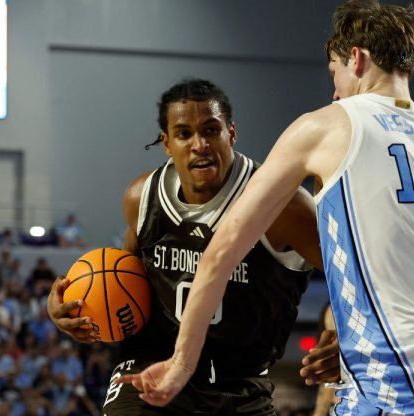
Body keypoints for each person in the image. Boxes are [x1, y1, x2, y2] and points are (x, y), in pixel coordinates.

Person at [119, 0, 414, 415]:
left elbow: (222, 249)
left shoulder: (326, 126)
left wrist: (181, 364)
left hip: (398, 379)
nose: (334, 89)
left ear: (356, 58)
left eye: (334, 71)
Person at [48, 79, 339, 415]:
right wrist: (73, 310)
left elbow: (355, 279)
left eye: (211, 131)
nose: (199, 145)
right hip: (151, 365)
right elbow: (122, 281)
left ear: (231, 133)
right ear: (167, 143)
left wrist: (347, 340)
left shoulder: (282, 206)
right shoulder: (142, 197)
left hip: (240, 384)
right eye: (184, 134)